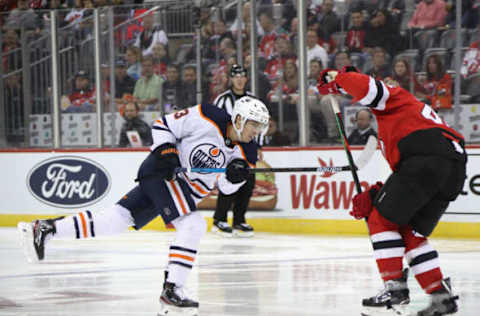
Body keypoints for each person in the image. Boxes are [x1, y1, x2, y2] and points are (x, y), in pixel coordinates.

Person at [18, 96, 270, 316]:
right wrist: (169, 154)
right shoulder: (208, 115)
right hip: (163, 173)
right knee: (192, 224)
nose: (256, 131)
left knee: (115, 221)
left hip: (180, 190)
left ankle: (45, 229)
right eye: (254, 124)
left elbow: (225, 188)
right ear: (238, 119)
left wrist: (236, 177)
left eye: (260, 126)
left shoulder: (247, 150)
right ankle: (173, 289)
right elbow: (162, 125)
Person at [318, 66, 466, 316]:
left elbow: (366, 86)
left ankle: (395, 292)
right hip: (452, 166)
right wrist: (378, 193)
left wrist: (337, 79)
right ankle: (441, 298)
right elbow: (409, 181)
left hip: (428, 158)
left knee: (380, 220)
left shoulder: (393, 97)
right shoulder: (404, 120)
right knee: (410, 231)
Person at [211, 64, 259, 237]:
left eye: (242, 76)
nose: (239, 79)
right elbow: (215, 122)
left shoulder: (253, 99)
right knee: (230, 180)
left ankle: (239, 220)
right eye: (236, 76)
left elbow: (259, 122)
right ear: (231, 79)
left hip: (249, 146)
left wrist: (258, 146)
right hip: (230, 146)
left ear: (246, 78)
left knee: (248, 182)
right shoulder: (222, 100)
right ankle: (219, 220)